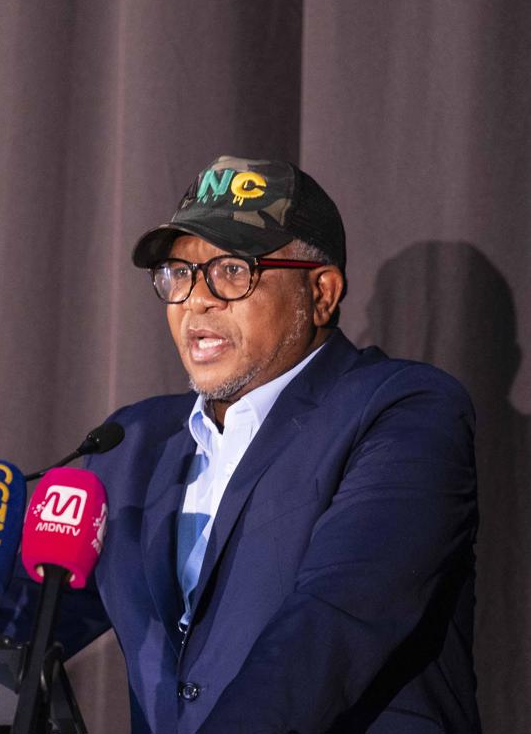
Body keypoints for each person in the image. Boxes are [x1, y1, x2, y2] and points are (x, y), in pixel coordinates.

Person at [68, 156, 481, 733]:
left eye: (232, 271)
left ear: (321, 293)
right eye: (178, 274)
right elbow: (26, 606)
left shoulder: (402, 411)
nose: (197, 300)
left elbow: (334, 620)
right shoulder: (129, 444)